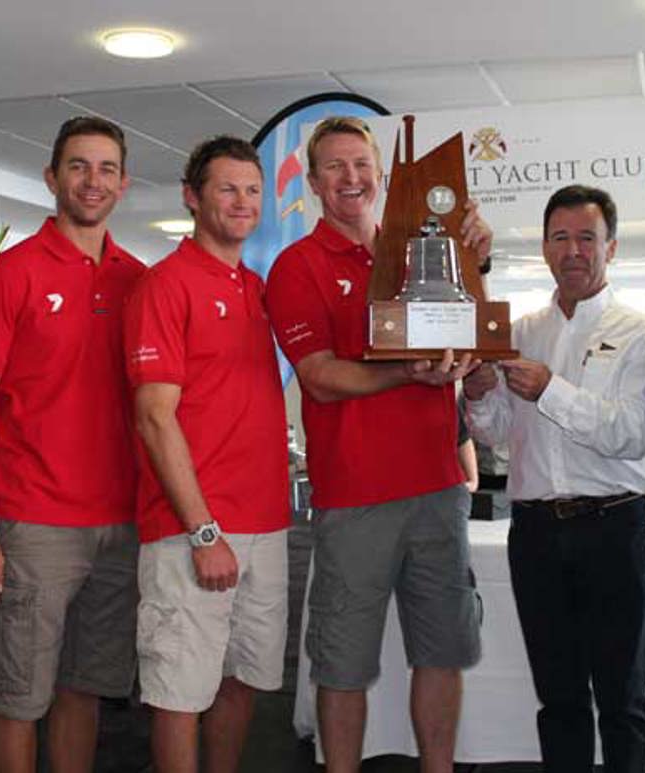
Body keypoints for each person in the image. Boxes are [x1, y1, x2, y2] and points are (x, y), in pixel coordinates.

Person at [265, 116, 490, 773]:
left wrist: (475, 259)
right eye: (334, 167)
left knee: (442, 649)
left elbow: (470, 333)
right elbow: (321, 377)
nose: (350, 178)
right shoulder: (296, 266)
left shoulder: (424, 250)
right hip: (354, 495)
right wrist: (406, 374)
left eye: (361, 164)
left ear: (381, 176)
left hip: (438, 487)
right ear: (312, 183)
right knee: (342, 663)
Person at [0, 116, 145, 773]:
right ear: (51, 177)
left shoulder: (138, 280)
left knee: (82, 688)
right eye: (79, 166)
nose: (93, 181)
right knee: (16, 698)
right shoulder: (12, 274)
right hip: (33, 526)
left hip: (120, 524)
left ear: (125, 183)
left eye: (107, 168)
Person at [464, 185, 645, 772]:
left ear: (611, 247)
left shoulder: (641, 333)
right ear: (545, 248)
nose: (573, 250)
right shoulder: (519, 331)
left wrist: (551, 389)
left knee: (623, 699)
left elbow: (632, 434)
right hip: (537, 535)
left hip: (613, 528)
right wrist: (477, 395)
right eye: (560, 238)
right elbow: (499, 432)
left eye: (586, 238)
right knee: (559, 697)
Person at [124, 136, 290, 773]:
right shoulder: (165, 286)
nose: (242, 202)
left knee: (241, 679)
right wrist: (203, 531)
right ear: (192, 198)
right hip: (191, 531)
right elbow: (153, 417)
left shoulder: (254, 287)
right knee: (177, 693)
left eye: (252, 190)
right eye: (227, 188)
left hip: (265, 525)